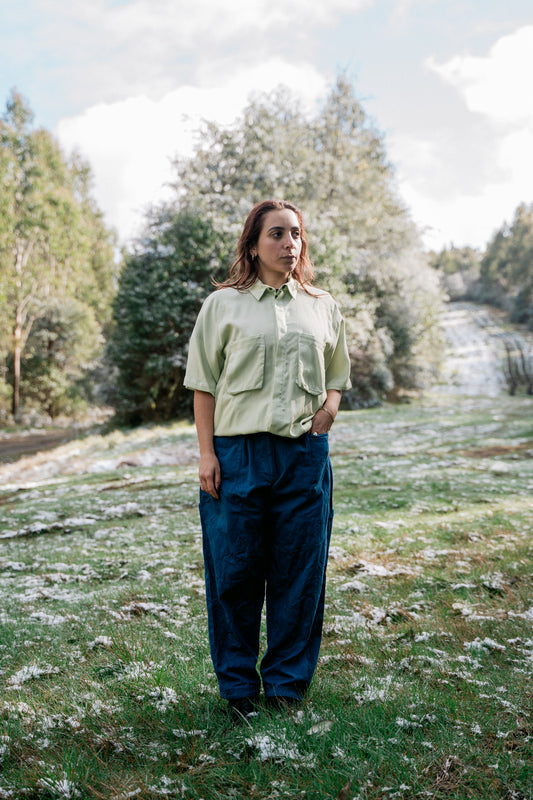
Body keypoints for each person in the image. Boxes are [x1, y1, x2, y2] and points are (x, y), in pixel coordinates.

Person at [184, 200, 351, 717]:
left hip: (303, 458)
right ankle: (238, 689)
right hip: (237, 456)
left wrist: (327, 412)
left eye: (296, 233)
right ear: (253, 245)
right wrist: (207, 455)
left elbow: (337, 375)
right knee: (234, 573)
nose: (289, 243)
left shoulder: (322, 305)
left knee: (299, 573)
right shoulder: (223, 306)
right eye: (277, 234)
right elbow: (203, 385)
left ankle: (285, 687)